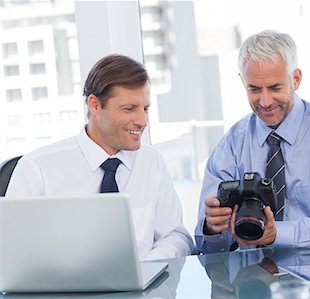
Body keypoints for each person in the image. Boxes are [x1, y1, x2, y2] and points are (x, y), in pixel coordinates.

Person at [5, 54, 194, 261]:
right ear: (95, 105)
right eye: (129, 109)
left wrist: (142, 270)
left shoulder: (151, 161)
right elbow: (12, 254)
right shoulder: (36, 169)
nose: (142, 121)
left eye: (145, 109)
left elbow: (175, 236)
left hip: (144, 290)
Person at [194, 30, 310, 259]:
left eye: (274, 88)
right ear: (243, 83)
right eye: (254, 89)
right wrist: (212, 229)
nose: (265, 101)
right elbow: (208, 247)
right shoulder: (232, 143)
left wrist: (276, 234)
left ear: (296, 79)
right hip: (251, 274)